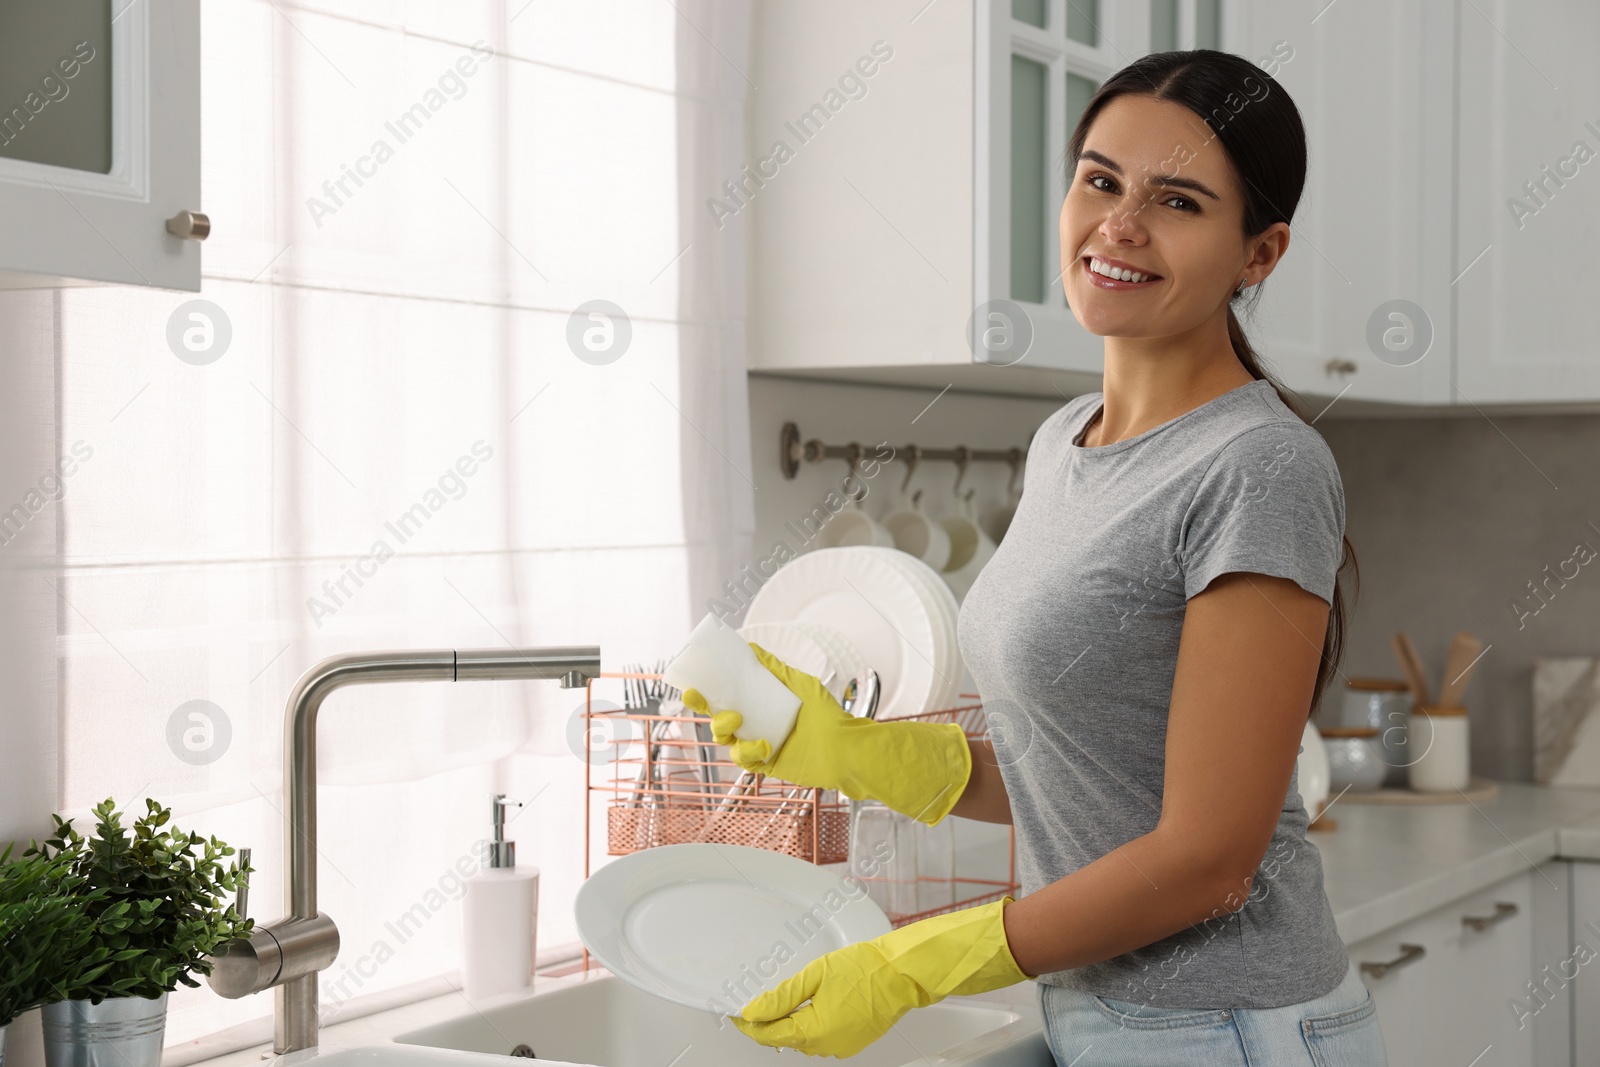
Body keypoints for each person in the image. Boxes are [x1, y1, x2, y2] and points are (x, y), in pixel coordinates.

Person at [682, 48, 1387, 1065]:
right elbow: (1098, 773)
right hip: (1106, 1015)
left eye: (1178, 201)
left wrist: (915, 961)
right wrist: (871, 754)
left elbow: (1206, 862)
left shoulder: (1258, 466)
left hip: (1230, 1026)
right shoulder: (1067, 438)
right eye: (1100, 180)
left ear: (1259, 252)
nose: (1120, 225)